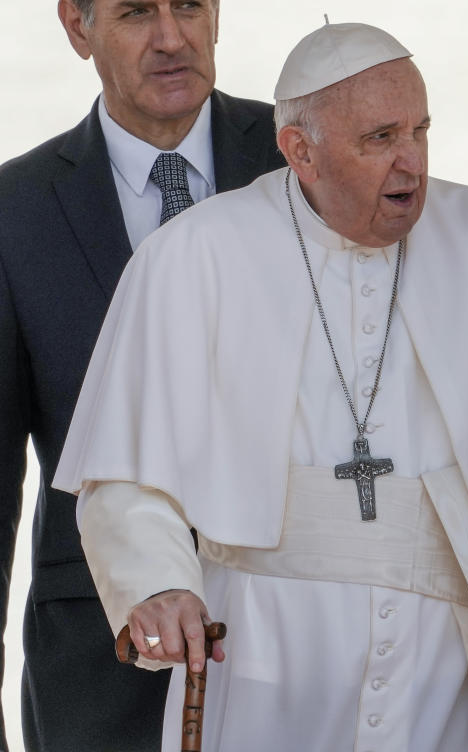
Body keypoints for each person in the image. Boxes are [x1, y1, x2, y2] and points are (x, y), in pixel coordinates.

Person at [54, 21, 468, 752]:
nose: (410, 162)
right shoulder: (192, 257)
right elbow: (125, 471)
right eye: (378, 139)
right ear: (300, 151)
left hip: (461, 647)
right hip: (274, 647)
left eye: (419, 131)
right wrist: (158, 583)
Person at [0, 0, 285, 749]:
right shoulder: (14, 211)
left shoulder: (306, 155)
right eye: (134, 12)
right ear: (76, 26)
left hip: (299, 638)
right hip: (97, 657)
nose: (171, 38)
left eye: (188, 6)